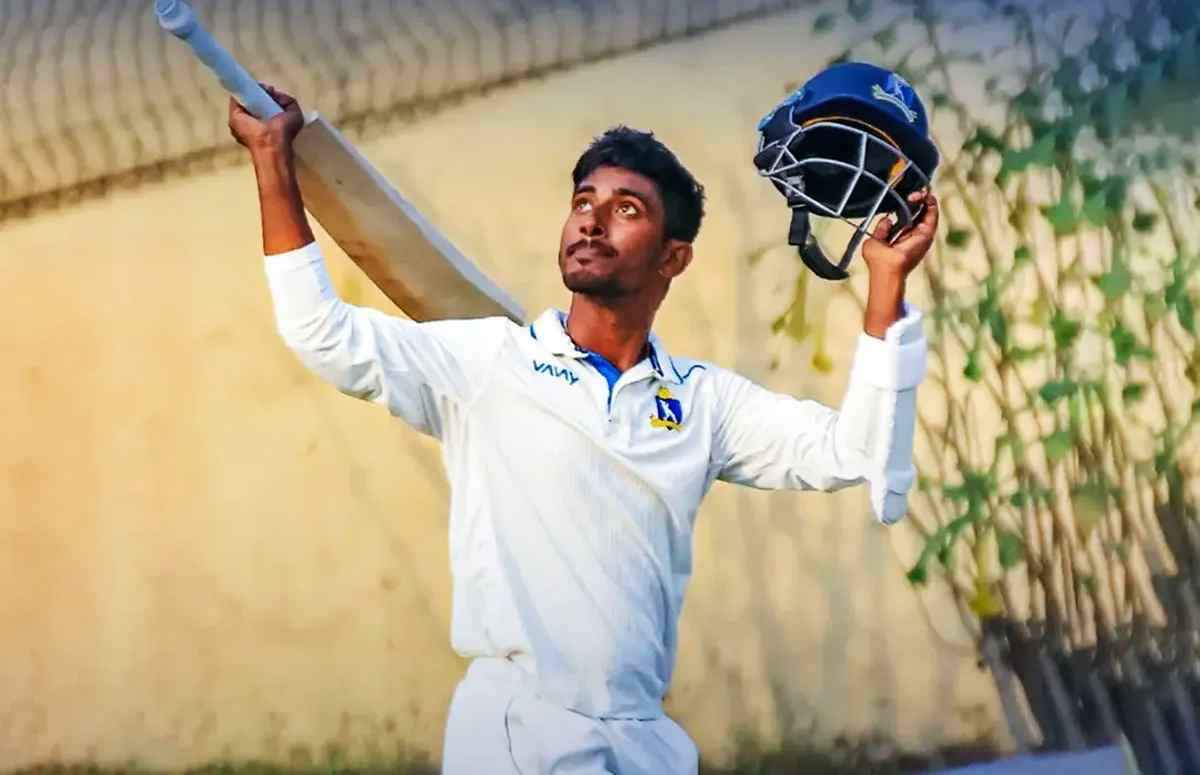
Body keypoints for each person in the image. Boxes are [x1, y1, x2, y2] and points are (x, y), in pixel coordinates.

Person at [228, 82, 937, 774]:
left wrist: (886, 282)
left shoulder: (702, 402)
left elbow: (856, 451)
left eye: (626, 209)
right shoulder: (487, 363)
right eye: (582, 203)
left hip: (646, 738)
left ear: (672, 257)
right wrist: (271, 162)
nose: (592, 222)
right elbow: (319, 331)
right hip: (519, 728)